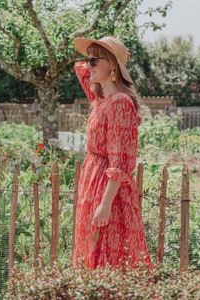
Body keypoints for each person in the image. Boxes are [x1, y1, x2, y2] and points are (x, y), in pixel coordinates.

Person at [73, 36, 153, 269]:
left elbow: (121, 161)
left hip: (106, 189)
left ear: (112, 64)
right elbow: (79, 68)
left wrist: (105, 203)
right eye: (89, 60)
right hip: (92, 181)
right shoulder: (100, 100)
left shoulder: (119, 102)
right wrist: (96, 60)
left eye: (95, 60)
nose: (88, 66)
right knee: (90, 247)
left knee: (107, 249)